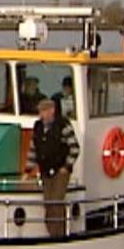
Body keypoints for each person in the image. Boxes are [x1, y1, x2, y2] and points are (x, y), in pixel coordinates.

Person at [31, 99, 79, 237]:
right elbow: (33, 150)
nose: (41, 114)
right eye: (40, 111)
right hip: (46, 170)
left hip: (60, 170)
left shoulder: (63, 125)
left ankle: (60, 234)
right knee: (48, 202)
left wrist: (66, 166)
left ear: (52, 110)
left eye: (44, 111)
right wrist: (28, 170)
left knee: (56, 200)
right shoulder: (38, 127)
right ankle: (51, 232)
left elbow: (74, 148)